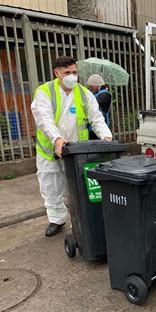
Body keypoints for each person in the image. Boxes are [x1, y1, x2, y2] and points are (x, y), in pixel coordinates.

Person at [31, 56, 112, 237]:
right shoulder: (45, 92)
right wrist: (57, 140)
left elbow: (96, 118)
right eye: (67, 73)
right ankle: (57, 220)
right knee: (51, 186)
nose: (72, 76)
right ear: (57, 73)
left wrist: (107, 137)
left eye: (75, 72)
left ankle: (81, 219)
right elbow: (44, 120)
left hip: (76, 152)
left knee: (78, 187)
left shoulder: (84, 93)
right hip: (50, 151)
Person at [86, 74, 112, 140]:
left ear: (96, 85)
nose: (90, 88)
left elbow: (93, 104)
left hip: (101, 124)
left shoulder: (105, 94)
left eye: (91, 86)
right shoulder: (94, 93)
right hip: (91, 126)